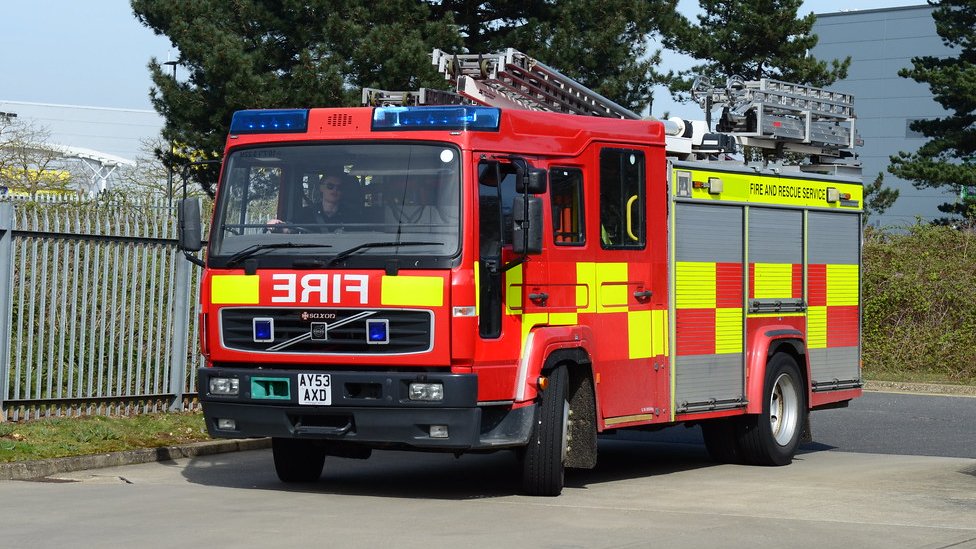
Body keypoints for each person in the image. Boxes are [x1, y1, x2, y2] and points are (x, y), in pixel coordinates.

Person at [268, 173, 354, 232]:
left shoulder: (351, 214)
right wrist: (277, 225)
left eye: (339, 187)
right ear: (321, 188)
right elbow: (290, 229)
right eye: (330, 186)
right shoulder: (306, 213)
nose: (335, 190)